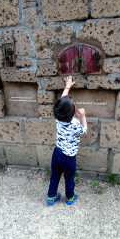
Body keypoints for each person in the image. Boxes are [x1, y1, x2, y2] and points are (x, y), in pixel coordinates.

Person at [47, 75, 87, 205]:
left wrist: (68, 86)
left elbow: (61, 102)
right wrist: (83, 117)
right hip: (69, 157)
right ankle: (70, 197)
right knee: (69, 177)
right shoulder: (75, 123)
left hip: (57, 153)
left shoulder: (58, 118)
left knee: (55, 175)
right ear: (73, 112)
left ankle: (51, 196)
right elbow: (84, 130)